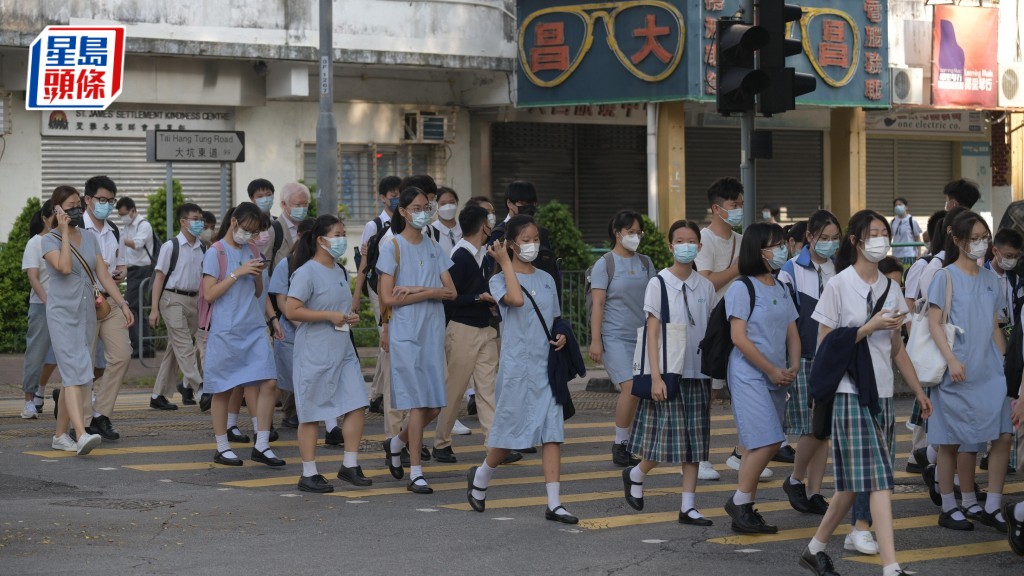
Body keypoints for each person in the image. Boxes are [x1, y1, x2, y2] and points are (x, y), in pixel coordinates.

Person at [799, 209, 931, 576]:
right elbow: (825, 347)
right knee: (878, 480)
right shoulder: (839, 285)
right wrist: (866, 326)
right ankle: (891, 567)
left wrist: (919, 393)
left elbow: (897, 350)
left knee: (853, 485)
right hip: (848, 392)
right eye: (873, 233)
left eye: (884, 233)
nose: (880, 240)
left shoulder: (891, 288)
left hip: (883, 393)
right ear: (856, 240)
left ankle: (814, 549)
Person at [466, 215, 579, 524]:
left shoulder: (545, 278)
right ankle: (481, 475)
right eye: (525, 240)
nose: (532, 244)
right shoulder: (499, 279)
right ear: (511, 244)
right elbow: (515, 300)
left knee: (552, 434)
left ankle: (554, 503)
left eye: (535, 238)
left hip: (547, 367)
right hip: (517, 368)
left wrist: (562, 335)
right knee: (509, 436)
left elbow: (555, 317)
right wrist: (504, 262)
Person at [622, 219, 716, 525]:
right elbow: (652, 333)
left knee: (695, 444)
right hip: (669, 372)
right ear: (670, 245)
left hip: (698, 373)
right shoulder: (659, 283)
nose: (686, 246)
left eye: (692, 241)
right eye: (680, 240)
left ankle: (687, 505)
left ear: (700, 247)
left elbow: (711, 331)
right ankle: (636, 473)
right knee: (667, 439)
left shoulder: (706, 286)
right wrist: (657, 376)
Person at [927, 210, 1014, 532]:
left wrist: (1005, 365)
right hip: (958, 371)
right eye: (973, 238)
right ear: (957, 240)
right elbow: (934, 323)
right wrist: (951, 359)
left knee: (1003, 435)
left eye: (983, 238)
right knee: (952, 441)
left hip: (989, 370)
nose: (979, 244)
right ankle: (950, 505)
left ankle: (990, 504)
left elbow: (994, 325)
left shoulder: (992, 280)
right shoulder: (945, 276)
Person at [376, 186, 456, 494]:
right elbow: (386, 297)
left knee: (435, 405)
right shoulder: (392, 247)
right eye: (417, 207)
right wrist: (427, 293)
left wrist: (420, 292)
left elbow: (451, 292)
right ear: (403, 211)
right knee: (419, 404)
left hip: (432, 332)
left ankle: (395, 443)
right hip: (406, 334)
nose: (424, 211)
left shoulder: (434, 246)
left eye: (427, 206)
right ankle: (416, 472)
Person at [722, 222, 800, 534]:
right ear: (759, 250)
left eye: (783, 243)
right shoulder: (743, 287)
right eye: (776, 244)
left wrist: (792, 365)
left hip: (778, 376)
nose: (783, 249)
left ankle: (744, 508)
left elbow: (792, 331)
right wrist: (770, 369)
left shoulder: (780, 286)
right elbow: (738, 338)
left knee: (759, 445)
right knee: (768, 441)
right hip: (749, 375)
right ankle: (740, 503)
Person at [44, 185, 134, 455]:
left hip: (86, 312)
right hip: (62, 313)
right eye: (68, 206)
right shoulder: (48, 240)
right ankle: (81, 433)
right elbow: (64, 267)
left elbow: (103, 275)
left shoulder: (89, 237)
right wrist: (63, 233)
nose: (75, 210)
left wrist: (122, 303)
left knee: (79, 372)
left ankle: (60, 435)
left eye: (76, 205)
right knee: (75, 372)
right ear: (57, 209)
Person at [284, 214, 370, 493]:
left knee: (357, 403)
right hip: (314, 351)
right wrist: (328, 316)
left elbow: (343, 307)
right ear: (321, 240)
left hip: (342, 349)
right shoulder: (306, 272)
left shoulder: (341, 271)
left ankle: (349, 465)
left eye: (344, 233)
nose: (343, 239)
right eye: (338, 234)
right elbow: (292, 310)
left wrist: (348, 317)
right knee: (311, 414)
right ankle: (309, 473)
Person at [200, 202, 280, 467]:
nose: (249, 236)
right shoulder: (216, 252)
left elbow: (257, 293)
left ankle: (262, 444)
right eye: (246, 229)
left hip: (253, 327)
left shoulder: (253, 249)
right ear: (233, 222)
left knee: (268, 382)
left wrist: (256, 274)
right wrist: (238, 272)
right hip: (226, 329)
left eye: (254, 231)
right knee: (223, 388)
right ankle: (222, 447)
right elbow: (210, 294)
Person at [432, 205, 511, 463]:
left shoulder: (484, 255)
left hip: (485, 328)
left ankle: (494, 445)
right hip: (462, 329)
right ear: (483, 227)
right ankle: (441, 442)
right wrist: (479, 297)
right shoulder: (459, 256)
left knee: (488, 390)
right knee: (454, 390)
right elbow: (448, 299)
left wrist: (488, 300)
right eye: (489, 223)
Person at [778, 210, 842, 517]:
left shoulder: (840, 270)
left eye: (834, 239)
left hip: (832, 358)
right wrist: (790, 360)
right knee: (810, 428)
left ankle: (815, 491)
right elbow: (787, 321)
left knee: (824, 429)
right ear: (809, 237)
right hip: (803, 358)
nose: (829, 244)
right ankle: (794, 479)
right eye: (823, 238)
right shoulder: (790, 270)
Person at [588, 210, 656, 467]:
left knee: (639, 392)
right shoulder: (605, 264)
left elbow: (654, 301)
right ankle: (620, 444)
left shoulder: (646, 263)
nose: (635, 237)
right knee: (630, 387)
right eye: (630, 232)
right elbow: (598, 304)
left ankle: (631, 441)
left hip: (643, 336)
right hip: (615, 336)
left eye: (639, 232)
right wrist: (596, 340)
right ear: (617, 234)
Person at [694, 177, 751, 482]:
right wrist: (736, 268)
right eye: (734, 205)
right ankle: (701, 458)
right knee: (708, 395)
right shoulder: (704, 240)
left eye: (741, 204)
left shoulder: (742, 240)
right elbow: (705, 282)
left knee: (742, 390)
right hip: (711, 328)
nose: (739, 209)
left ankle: (741, 453)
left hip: (739, 325)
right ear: (717, 208)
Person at [80, 175, 131, 441]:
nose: (107, 205)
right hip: (85, 301)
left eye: (110, 201)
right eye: (102, 200)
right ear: (87, 199)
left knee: (122, 355)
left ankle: (100, 413)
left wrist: (120, 274)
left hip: (109, 301)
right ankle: (82, 420)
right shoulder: (76, 226)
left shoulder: (114, 229)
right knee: (83, 362)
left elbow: (120, 264)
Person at [148, 203, 206, 410]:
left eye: (201, 218)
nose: (199, 222)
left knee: (175, 349)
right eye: (194, 218)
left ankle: (158, 395)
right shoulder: (170, 246)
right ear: (183, 222)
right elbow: (159, 277)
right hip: (172, 299)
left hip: (194, 300)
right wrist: (154, 309)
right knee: (184, 346)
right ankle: (200, 389)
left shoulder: (203, 248)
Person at [353, 176, 400, 420]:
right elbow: (364, 262)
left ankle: (377, 394)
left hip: (399, 287)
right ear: (383, 197)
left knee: (388, 341)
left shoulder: (407, 223)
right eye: (392, 194)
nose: (396, 198)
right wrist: (356, 297)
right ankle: (379, 394)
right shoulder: (374, 225)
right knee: (387, 334)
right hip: (378, 286)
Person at [21, 200, 58, 419]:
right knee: (35, 354)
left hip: (66, 306)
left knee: (68, 355)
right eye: (54, 214)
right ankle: (28, 401)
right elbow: (33, 277)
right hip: (41, 306)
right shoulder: (35, 243)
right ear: (44, 218)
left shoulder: (67, 240)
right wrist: (46, 300)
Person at [115, 196, 156, 359]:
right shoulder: (126, 227)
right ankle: (142, 347)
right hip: (131, 271)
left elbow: (138, 244)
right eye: (120, 215)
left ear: (133, 210)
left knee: (133, 307)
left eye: (124, 213)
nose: (123, 217)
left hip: (143, 270)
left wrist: (119, 239)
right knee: (136, 308)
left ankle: (143, 347)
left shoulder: (143, 225)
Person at [891, 198, 922, 265]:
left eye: (900, 204)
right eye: (896, 205)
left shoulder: (912, 220)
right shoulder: (893, 221)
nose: (897, 207)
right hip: (896, 255)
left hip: (909, 255)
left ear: (906, 207)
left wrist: (919, 254)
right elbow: (889, 238)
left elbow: (917, 238)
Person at [432, 186, 462, 256]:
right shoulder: (431, 232)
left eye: (451, 202)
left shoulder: (465, 230)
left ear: (457, 203)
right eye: (443, 204)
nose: (448, 207)